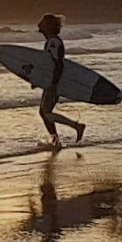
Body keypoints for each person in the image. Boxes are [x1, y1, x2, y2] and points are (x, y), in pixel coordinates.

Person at [34, 12, 88, 144]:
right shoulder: (51, 42)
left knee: (45, 112)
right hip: (51, 81)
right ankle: (55, 139)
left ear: (48, 26)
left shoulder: (53, 43)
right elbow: (49, 64)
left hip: (54, 82)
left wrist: (54, 83)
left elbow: (58, 64)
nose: (38, 24)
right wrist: (38, 79)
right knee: (44, 112)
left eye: (42, 22)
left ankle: (76, 126)